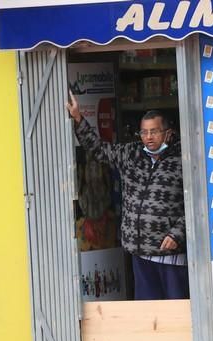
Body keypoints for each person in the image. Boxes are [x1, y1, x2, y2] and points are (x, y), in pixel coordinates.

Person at [66, 90, 189, 300]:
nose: (148, 137)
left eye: (154, 132)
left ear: (168, 132)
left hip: (171, 254)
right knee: (147, 313)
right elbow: (98, 150)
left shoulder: (183, 159)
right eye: (144, 132)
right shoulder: (131, 154)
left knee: (176, 311)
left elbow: (197, 203)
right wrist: (78, 118)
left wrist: (178, 232)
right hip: (139, 251)